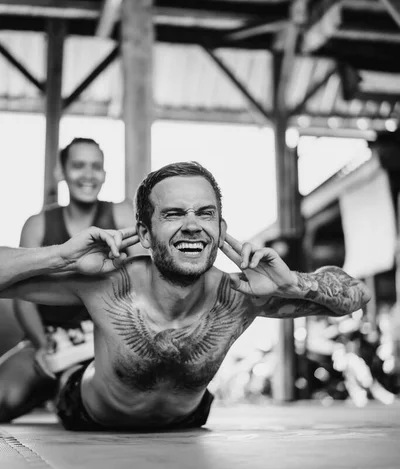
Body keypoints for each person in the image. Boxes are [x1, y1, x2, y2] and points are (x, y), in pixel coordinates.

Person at [0, 162, 371, 431]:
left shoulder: (241, 295)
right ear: (145, 234)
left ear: (220, 228)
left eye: (205, 214)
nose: (192, 225)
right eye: (174, 214)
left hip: (188, 419)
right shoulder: (111, 285)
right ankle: (62, 366)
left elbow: (357, 294)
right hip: (88, 411)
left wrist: (293, 285)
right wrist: (61, 255)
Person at [0, 137, 139, 422]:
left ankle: (62, 390)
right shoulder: (38, 224)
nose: (88, 175)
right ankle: (48, 387)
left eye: (96, 167)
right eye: (78, 166)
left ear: (104, 174)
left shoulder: (122, 214)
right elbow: (24, 299)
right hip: (47, 338)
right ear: (61, 172)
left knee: (109, 403)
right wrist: (41, 345)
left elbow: (141, 281)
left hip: (103, 338)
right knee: (4, 398)